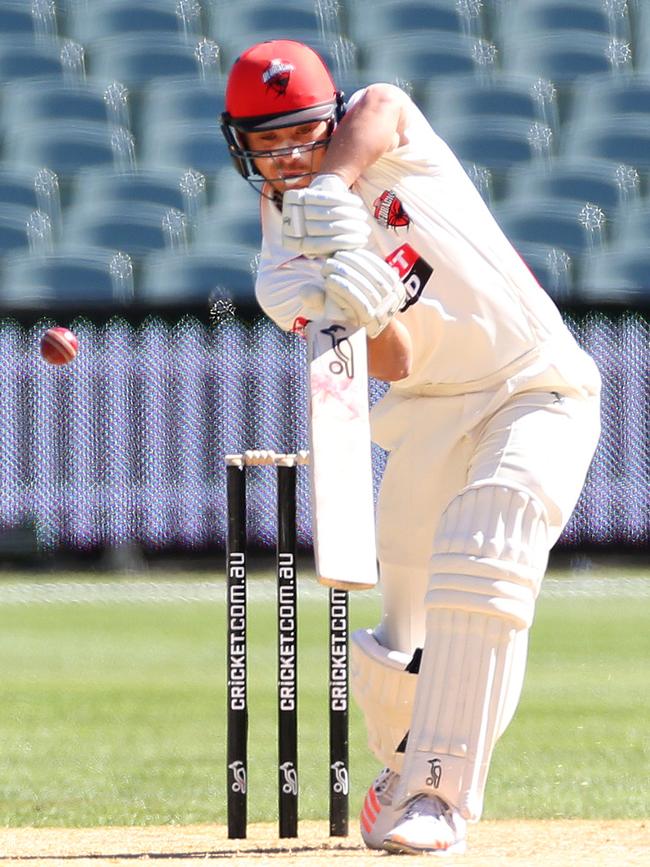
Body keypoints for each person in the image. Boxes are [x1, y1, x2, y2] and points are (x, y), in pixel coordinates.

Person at [221, 40, 601, 855]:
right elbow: (389, 363)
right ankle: (398, 773)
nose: (287, 157)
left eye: (300, 135)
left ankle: (440, 792)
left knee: (486, 548)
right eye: (267, 144)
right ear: (241, 148)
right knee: (406, 632)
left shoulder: (388, 132)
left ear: (327, 120)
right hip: (428, 410)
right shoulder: (283, 262)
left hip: (535, 381)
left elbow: (382, 106)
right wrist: (360, 290)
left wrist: (332, 188)